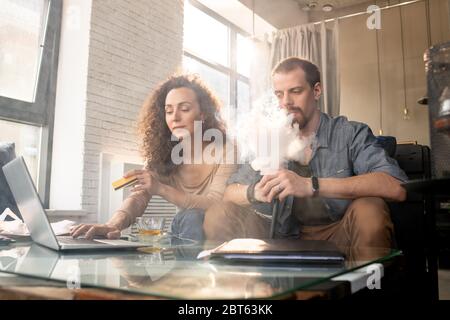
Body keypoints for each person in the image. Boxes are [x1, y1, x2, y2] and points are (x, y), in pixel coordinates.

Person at [204, 57, 408, 248]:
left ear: (317, 91)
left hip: (339, 234)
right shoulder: (271, 135)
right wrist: (254, 191)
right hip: (280, 237)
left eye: (296, 91)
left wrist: (310, 185)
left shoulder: (349, 133)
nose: (286, 102)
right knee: (219, 214)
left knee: (370, 210)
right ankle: (242, 285)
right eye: (279, 94)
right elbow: (228, 193)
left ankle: (366, 284)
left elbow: (396, 186)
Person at [71, 74, 237, 241]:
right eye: (169, 111)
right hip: (188, 234)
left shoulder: (226, 151)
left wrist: (161, 188)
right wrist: (113, 224)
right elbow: (138, 196)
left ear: (203, 115)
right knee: (184, 222)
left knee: (192, 217)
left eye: (184, 109)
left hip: (221, 232)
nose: (175, 117)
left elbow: (215, 204)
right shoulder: (166, 155)